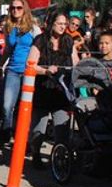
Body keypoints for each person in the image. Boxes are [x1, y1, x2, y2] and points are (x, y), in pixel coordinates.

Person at [26, 9, 80, 153]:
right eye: (59, 24)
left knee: (62, 129)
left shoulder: (68, 40)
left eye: (65, 24)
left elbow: (76, 62)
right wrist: (45, 71)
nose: (63, 27)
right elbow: (30, 64)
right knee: (39, 129)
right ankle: (36, 154)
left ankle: (60, 160)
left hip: (61, 90)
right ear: (51, 24)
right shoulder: (40, 40)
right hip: (43, 89)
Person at [0, 0, 35, 141]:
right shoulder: (9, 27)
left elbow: (38, 47)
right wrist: (0, 65)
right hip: (13, 69)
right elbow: (7, 49)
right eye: (12, 8)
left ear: (24, 9)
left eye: (19, 8)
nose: (15, 11)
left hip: (29, 71)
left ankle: (21, 136)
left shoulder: (33, 28)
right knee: (7, 106)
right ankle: (6, 131)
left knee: (24, 107)